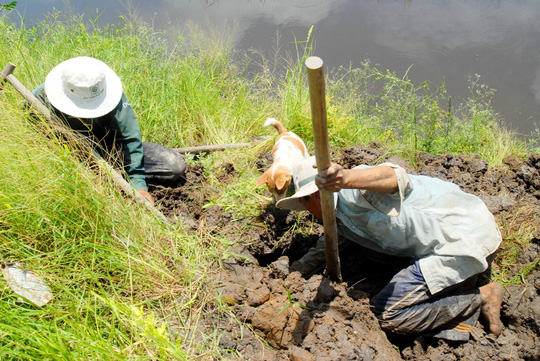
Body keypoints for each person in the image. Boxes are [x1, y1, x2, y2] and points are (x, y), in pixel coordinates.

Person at [276, 156, 505, 341]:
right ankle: (458, 286)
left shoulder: (354, 189)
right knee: (371, 254)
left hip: (463, 238)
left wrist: (346, 178)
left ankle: (481, 297)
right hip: (454, 238)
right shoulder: (339, 221)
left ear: (313, 196)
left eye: (304, 203)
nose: (305, 210)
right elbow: (323, 248)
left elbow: (393, 176)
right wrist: (289, 276)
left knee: (389, 314)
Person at [32, 56, 186, 205]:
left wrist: (138, 186)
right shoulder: (39, 100)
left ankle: (112, 178)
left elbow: (129, 139)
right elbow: (32, 141)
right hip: (67, 159)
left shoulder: (111, 95)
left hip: (109, 153)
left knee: (174, 165)